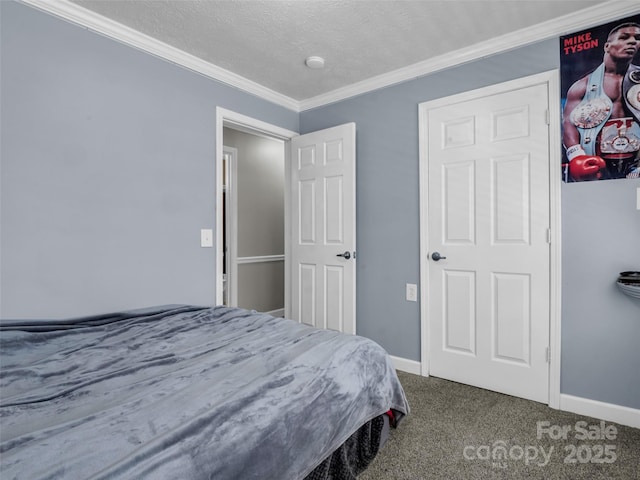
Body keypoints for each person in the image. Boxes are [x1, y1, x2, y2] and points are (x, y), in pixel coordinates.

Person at [562, 22, 640, 181]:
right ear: (607, 46)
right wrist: (577, 155)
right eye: (624, 37)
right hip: (598, 161)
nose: (632, 42)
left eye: (637, 38)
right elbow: (569, 124)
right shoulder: (582, 86)